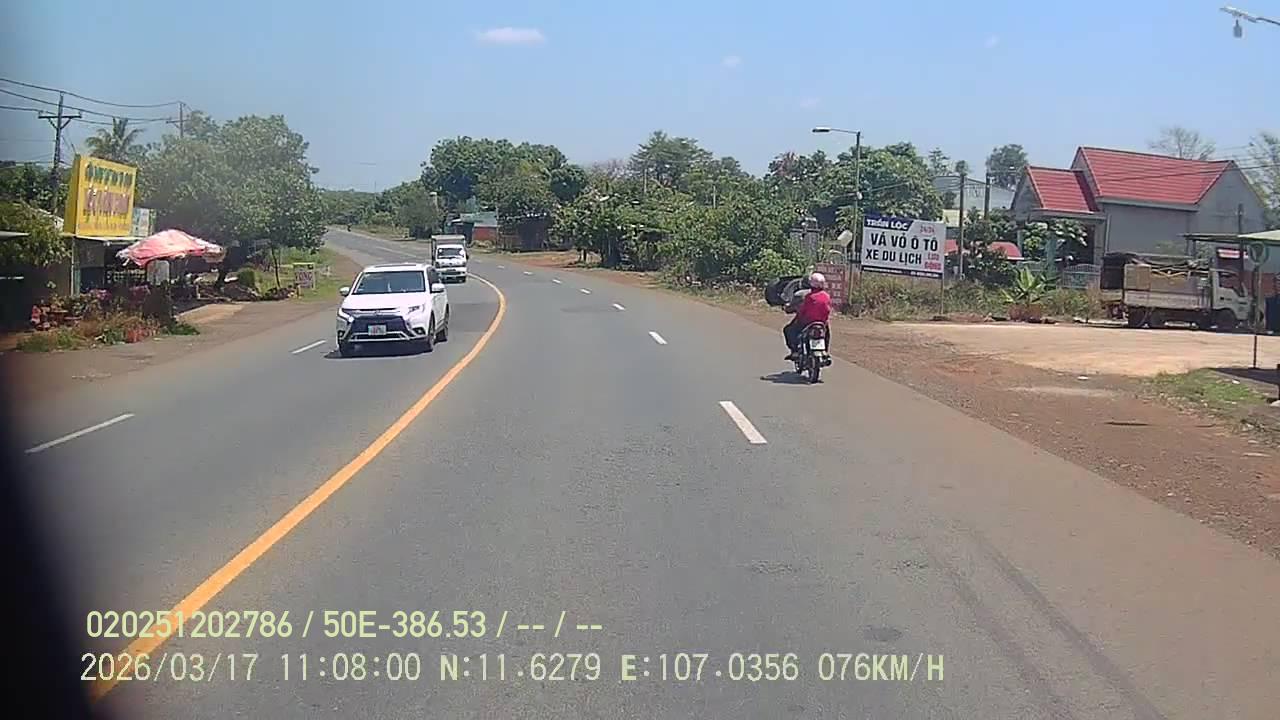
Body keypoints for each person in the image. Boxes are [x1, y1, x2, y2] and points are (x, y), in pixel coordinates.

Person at [784, 272, 832, 360]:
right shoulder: (826, 296)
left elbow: (803, 309)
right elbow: (828, 310)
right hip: (822, 322)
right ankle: (825, 351)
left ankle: (795, 351)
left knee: (789, 330)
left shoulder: (808, 296)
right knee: (826, 333)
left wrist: (799, 315)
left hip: (806, 321)